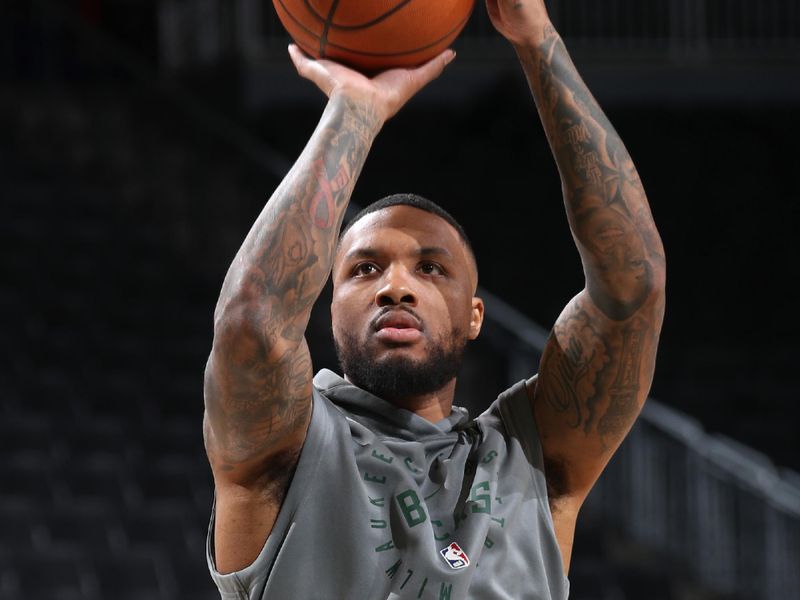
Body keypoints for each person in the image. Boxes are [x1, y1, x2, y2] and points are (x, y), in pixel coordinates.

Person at [203, 0, 666, 598]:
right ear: (327, 306)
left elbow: (634, 285)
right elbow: (251, 325)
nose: (396, 286)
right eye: (365, 269)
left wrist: (537, 38)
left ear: (476, 315)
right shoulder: (282, 449)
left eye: (431, 267)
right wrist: (355, 112)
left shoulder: (532, 459)